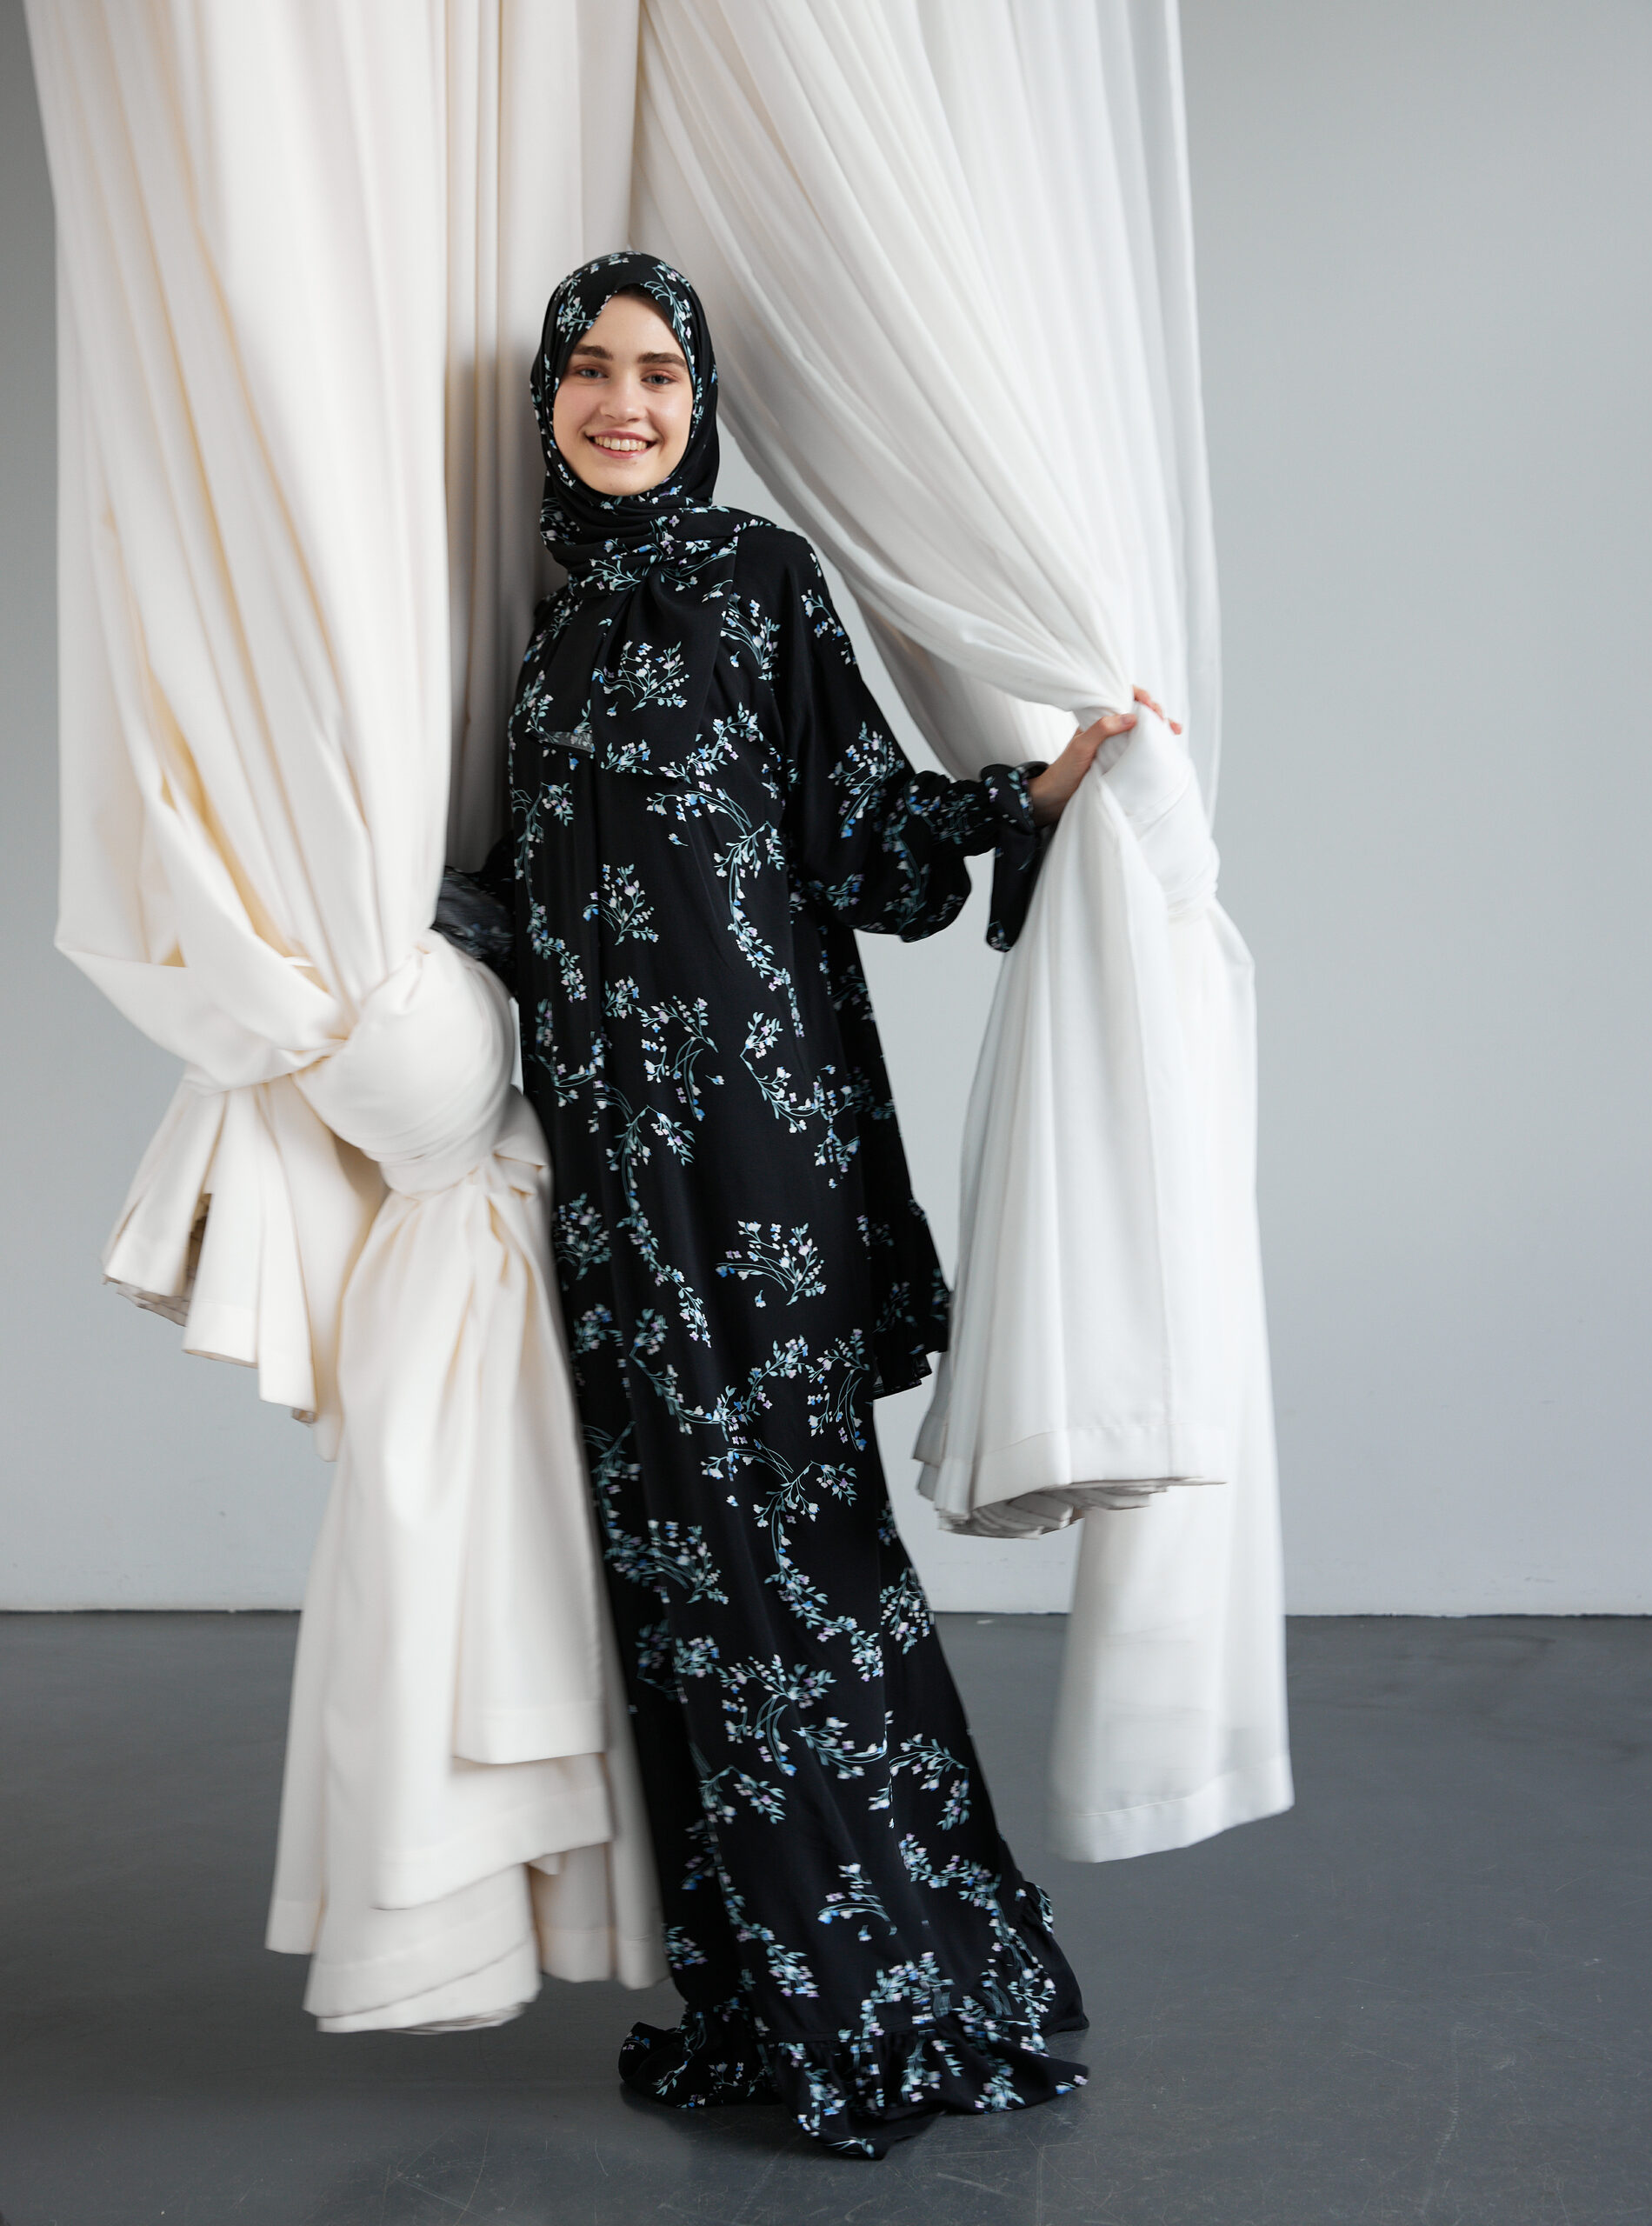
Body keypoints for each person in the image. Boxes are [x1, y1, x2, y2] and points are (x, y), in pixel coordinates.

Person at [443, 252, 1153, 2160]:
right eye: (591, 371)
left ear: (701, 405)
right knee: (681, 1582)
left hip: (757, 1163)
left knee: (795, 1559)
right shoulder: (545, 634)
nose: (624, 404)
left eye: (659, 374)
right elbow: (525, 894)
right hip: (613, 1188)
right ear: (547, 401)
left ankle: (905, 1996)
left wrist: (1031, 796)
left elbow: (867, 843)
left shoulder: (757, 580)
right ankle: (770, 2000)